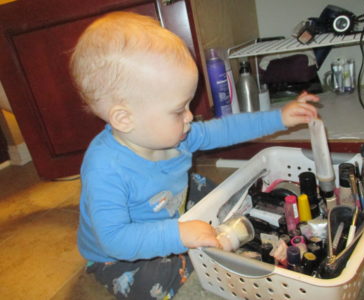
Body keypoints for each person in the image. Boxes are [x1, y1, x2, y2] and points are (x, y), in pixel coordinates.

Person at [69, 11, 319, 300]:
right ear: (125, 119)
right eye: (179, 110)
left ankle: (203, 235)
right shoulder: (105, 168)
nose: (190, 116)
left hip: (169, 205)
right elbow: (114, 239)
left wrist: (279, 118)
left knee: (226, 194)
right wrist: (179, 235)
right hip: (117, 253)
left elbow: (225, 129)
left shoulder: (178, 134)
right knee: (157, 282)